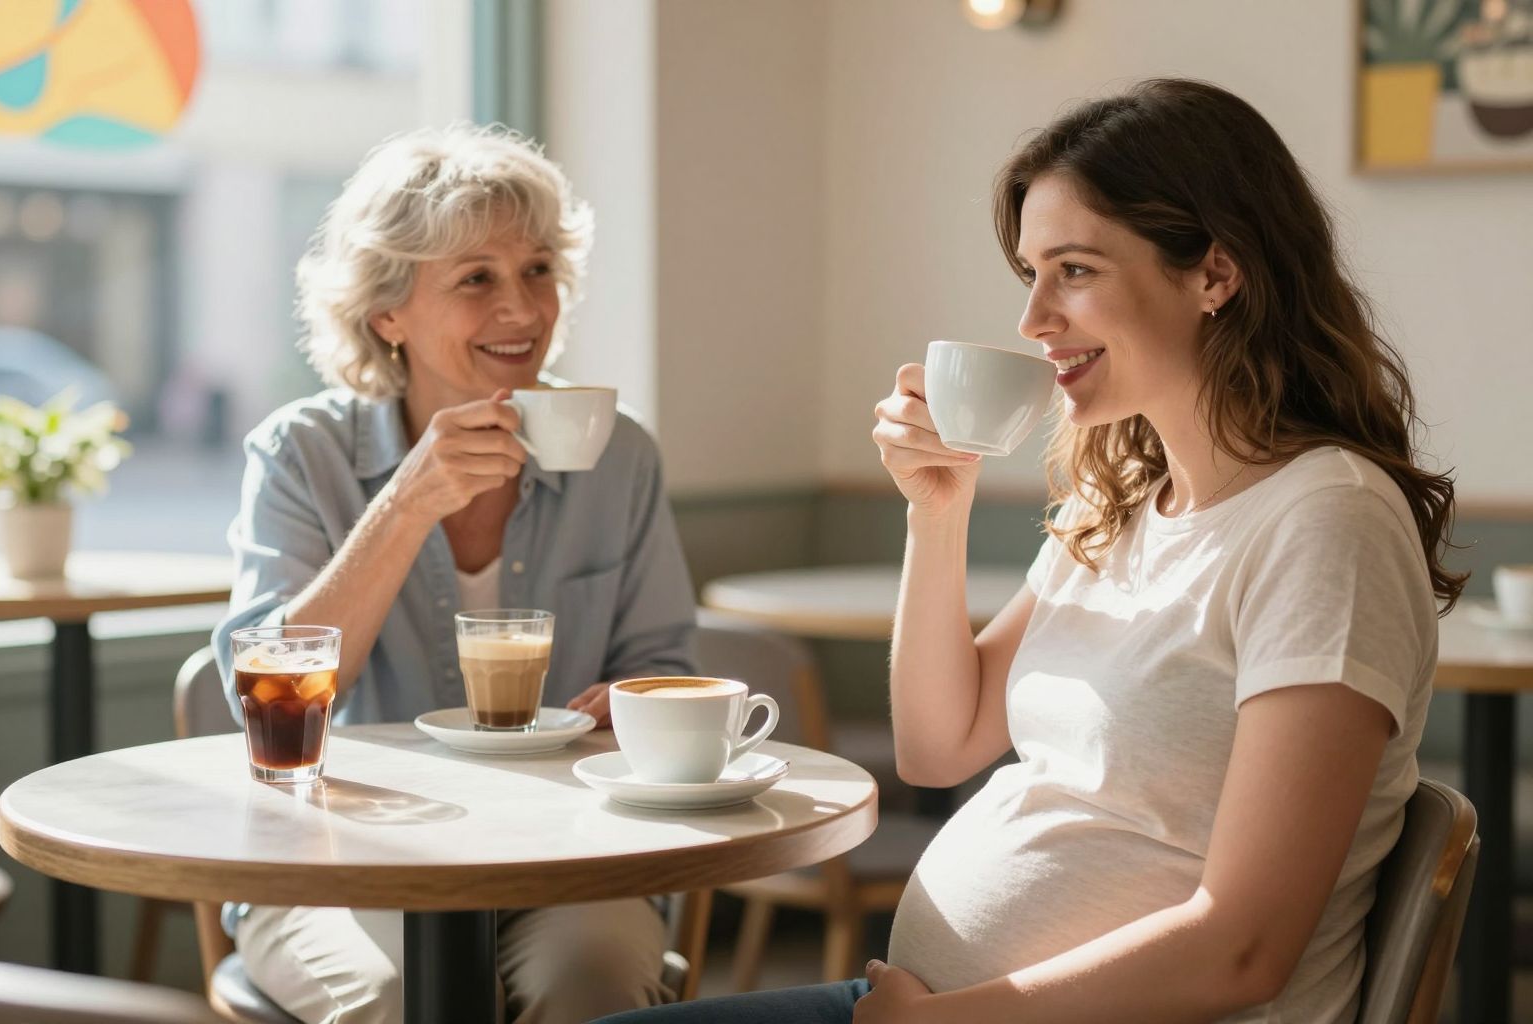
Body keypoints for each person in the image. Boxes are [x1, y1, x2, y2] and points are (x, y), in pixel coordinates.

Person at [597, 77, 1464, 1024]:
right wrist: (937, 511)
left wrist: (931, 1022)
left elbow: (1244, 950)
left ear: (1215, 274)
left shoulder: (1327, 524)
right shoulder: (1121, 500)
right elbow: (937, 746)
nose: (1033, 319)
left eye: (1075, 270)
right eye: (1031, 274)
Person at [211, 123, 696, 1024]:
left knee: (590, 986)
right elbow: (268, 698)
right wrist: (405, 504)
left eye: (538, 269)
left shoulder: (619, 453)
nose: (523, 308)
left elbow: (665, 664)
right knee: (401, 999)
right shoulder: (300, 453)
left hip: (567, 855)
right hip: (337, 860)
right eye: (476, 278)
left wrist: (632, 703)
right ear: (387, 314)